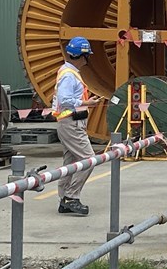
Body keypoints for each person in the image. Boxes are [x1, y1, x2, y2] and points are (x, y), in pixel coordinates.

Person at [52, 36, 102, 216]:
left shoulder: (67, 71)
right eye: (87, 56)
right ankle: (72, 197)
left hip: (69, 123)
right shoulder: (69, 75)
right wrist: (86, 103)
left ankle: (64, 199)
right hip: (71, 123)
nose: (87, 60)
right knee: (89, 160)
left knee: (70, 162)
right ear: (82, 56)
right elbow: (65, 100)